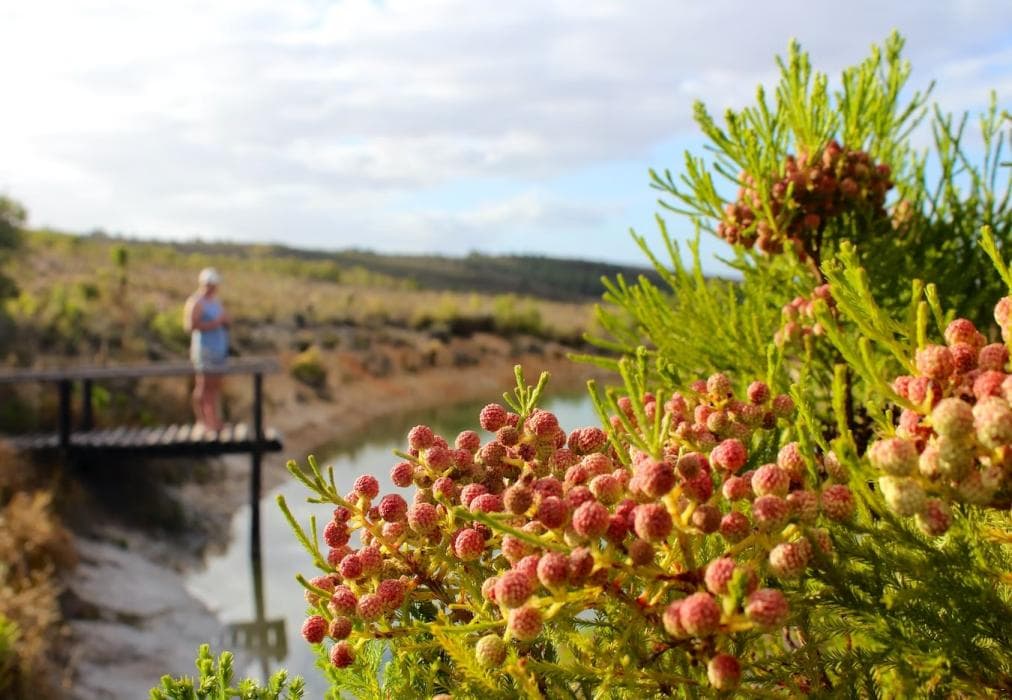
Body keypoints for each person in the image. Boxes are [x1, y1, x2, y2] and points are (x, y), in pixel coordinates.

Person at [184, 267, 230, 431]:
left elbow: (224, 322)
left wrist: (224, 321)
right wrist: (215, 323)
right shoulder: (196, 302)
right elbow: (190, 326)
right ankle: (203, 421)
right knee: (203, 386)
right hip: (204, 351)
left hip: (219, 350)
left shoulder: (216, 302)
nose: (215, 287)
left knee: (215, 387)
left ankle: (214, 419)